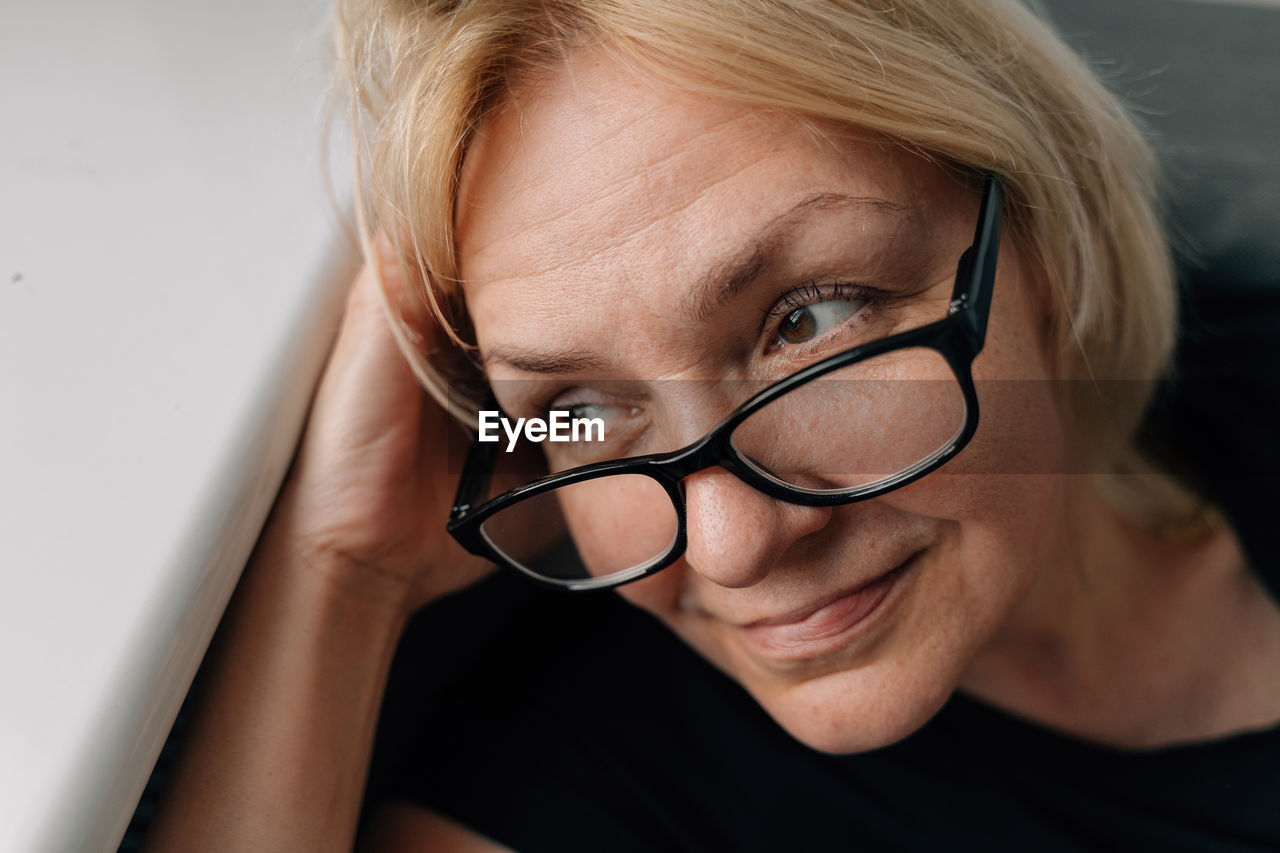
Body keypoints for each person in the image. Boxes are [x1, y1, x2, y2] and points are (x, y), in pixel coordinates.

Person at [144, 0, 1280, 850]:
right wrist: (340, 572)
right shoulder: (586, 784)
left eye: (809, 320)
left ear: (1039, 237)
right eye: (579, 408)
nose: (731, 545)